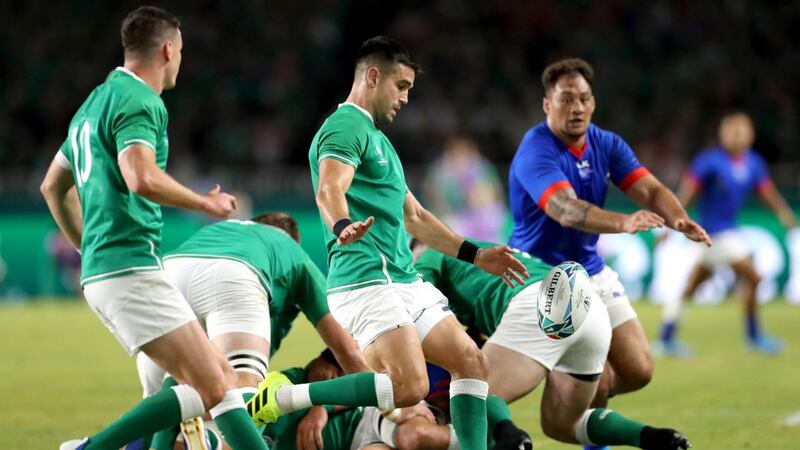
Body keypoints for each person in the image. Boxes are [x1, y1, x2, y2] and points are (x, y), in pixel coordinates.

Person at [247, 36, 529, 450]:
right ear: (373, 76)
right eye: (402, 86)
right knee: (410, 386)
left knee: (471, 362)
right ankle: (285, 396)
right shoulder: (345, 126)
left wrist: (476, 254)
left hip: (401, 279)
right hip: (364, 282)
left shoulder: (381, 142)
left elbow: (415, 217)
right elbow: (329, 188)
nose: (406, 98)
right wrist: (341, 222)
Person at [40, 7, 269, 450]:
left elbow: (53, 187)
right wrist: (205, 201)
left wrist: (91, 253)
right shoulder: (141, 100)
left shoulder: (94, 104)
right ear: (168, 49)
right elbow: (140, 177)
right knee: (220, 383)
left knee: (196, 385)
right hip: (130, 268)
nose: (180, 59)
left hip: (110, 270)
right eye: (180, 50)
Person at [506, 58, 710, 449]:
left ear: (593, 103)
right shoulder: (536, 150)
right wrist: (623, 222)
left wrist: (678, 218)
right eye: (566, 99)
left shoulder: (606, 143)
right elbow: (563, 209)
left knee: (638, 369)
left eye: (583, 98)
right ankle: (584, 420)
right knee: (594, 378)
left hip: (591, 270)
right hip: (544, 277)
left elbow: (649, 189)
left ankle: (572, 391)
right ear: (547, 105)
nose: (576, 107)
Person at [413, 241, 692, 450]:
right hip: (587, 305)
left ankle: (511, 438)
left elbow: (414, 303)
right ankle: (652, 437)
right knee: (562, 424)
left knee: (470, 397)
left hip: (540, 305)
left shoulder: (430, 254)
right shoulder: (482, 251)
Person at [135, 212, 372, 449]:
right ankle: (212, 444)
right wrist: (385, 395)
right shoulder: (292, 252)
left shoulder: (222, 230)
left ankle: (131, 443)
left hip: (167, 273)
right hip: (235, 274)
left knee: (162, 410)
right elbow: (347, 349)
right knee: (246, 389)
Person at [655, 112, 796, 357]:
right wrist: (672, 223)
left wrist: (784, 213)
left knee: (690, 287)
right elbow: (687, 193)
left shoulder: (753, 163)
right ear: (722, 135)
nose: (737, 135)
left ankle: (666, 337)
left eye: (742, 130)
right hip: (714, 234)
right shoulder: (709, 162)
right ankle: (754, 336)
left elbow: (767, 193)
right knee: (753, 277)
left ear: (751, 135)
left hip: (722, 236)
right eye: (732, 130)